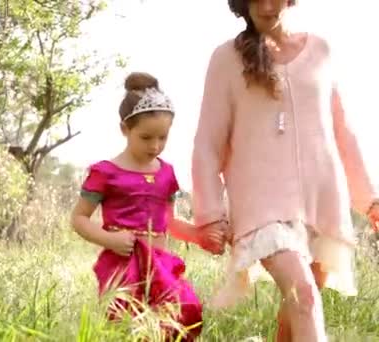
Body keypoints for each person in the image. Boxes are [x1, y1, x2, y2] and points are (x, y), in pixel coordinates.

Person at [191, 1, 379, 341]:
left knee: (296, 312)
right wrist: (209, 215)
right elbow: (207, 143)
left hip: (322, 203)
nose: (265, 5)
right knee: (304, 295)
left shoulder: (321, 50)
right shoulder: (226, 59)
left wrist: (369, 201)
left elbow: (342, 133)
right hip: (260, 207)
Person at [70, 72, 224, 341]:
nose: (155, 146)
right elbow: (79, 219)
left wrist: (200, 236)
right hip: (122, 263)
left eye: (162, 138)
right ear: (124, 129)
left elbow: (170, 222)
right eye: (146, 137)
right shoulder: (106, 172)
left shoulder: (167, 174)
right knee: (129, 323)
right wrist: (109, 239)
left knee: (183, 310)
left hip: (160, 264)